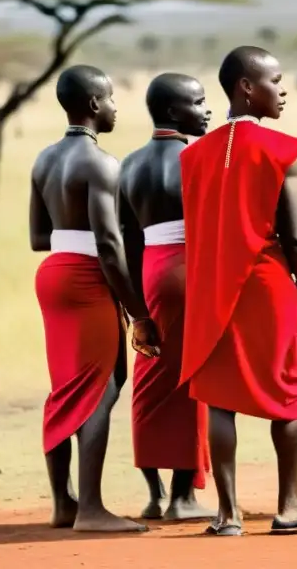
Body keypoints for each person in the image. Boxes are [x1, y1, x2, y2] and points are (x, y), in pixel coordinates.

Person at [178, 46, 297, 537]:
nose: (282, 90)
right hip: (266, 285)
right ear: (247, 87)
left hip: (210, 287)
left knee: (220, 398)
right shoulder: (280, 149)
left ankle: (227, 515)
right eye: (274, 80)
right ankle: (289, 508)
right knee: (285, 393)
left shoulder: (193, 154)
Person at [30, 65, 160, 533]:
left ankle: (64, 503)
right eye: (109, 99)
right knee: (98, 391)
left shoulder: (43, 160)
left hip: (54, 275)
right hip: (87, 279)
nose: (115, 107)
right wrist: (139, 314)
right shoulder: (103, 164)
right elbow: (109, 244)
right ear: (92, 105)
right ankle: (91, 509)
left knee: (69, 388)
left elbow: (38, 236)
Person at [119, 73, 215, 521]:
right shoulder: (199, 157)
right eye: (199, 102)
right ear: (175, 112)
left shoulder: (129, 164)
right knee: (193, 381)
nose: (207, 110)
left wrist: (136, 309)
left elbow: (125, 237)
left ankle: (156, 494)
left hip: (149, 273)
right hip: (190, 268)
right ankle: (183, 498)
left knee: (150, 378)